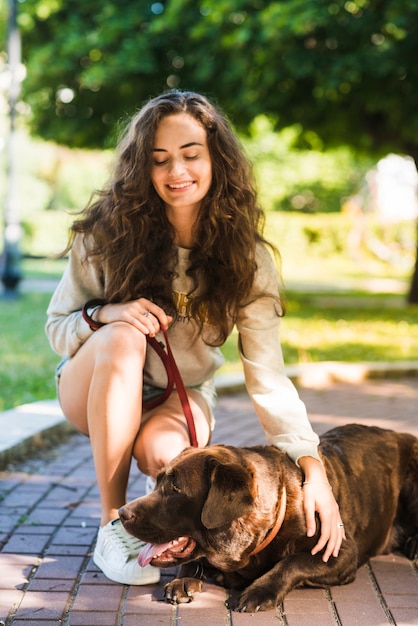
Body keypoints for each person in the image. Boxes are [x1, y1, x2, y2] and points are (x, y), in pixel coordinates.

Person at [46, 90, 345, 586]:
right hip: (91, 381)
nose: (175, 171)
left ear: (216, 159)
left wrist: (314, 470)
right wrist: (106, 313)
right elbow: (58, 328)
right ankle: (110, 526)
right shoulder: (104, 235)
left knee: (173, 464)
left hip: (179, 397)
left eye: (190, 154)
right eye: (159, 159)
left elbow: (268, 376)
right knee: (123, 336)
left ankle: (148, 490)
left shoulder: (247, 259)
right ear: (141, 167)